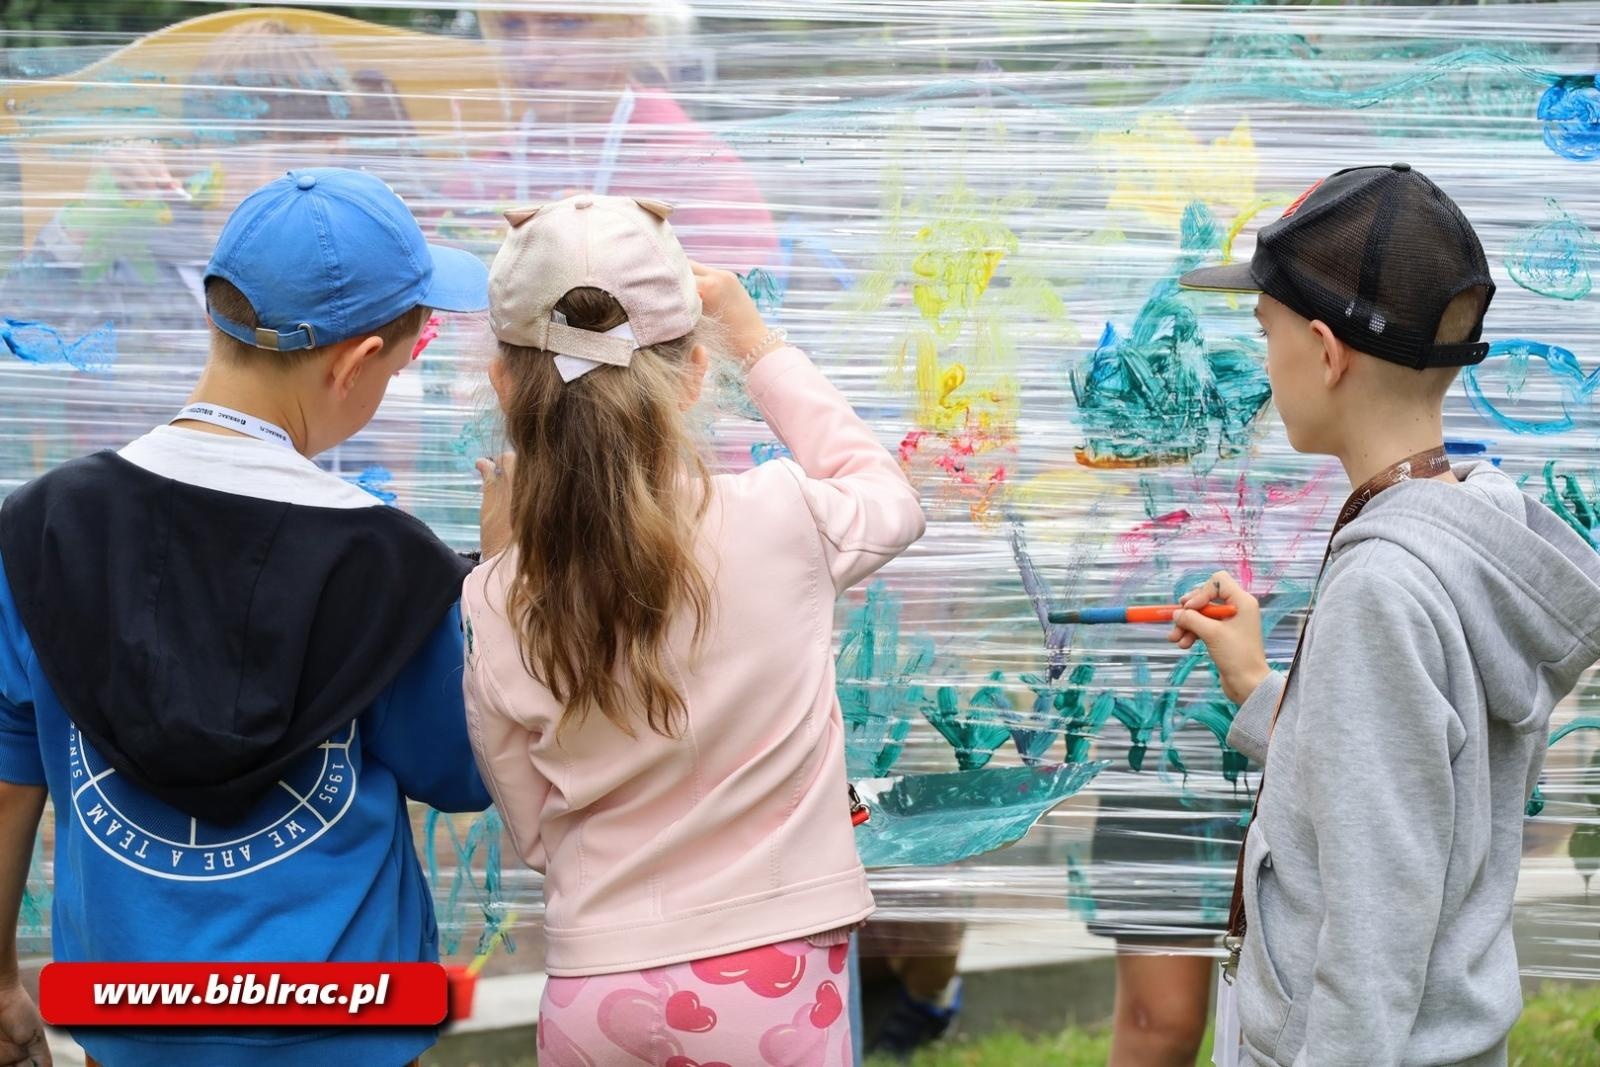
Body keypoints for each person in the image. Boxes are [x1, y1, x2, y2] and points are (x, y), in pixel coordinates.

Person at [0, 167, 492, 1067]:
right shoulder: (390, 565)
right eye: (410, 349)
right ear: (352, 366)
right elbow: (463, 771)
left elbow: (8, 762)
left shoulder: (39, 530)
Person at [462, 193, 925, 1062]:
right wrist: (758, 339)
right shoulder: (787, 516)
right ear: (693, 374)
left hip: (595, 982)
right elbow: (892, 501)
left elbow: (528, 825)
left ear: (501, 382)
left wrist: (497, 567)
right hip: (774, 973)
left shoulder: (497, 594)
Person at [1170, 163, 1600, 1065]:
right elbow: (1416, 789)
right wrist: (1257, 684)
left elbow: (1373, 939)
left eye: (1266, 331)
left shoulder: (1384, 589)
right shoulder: (1466, 532)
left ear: (1325, 353)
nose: (1263, 358)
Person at [467, 3, 779, 272]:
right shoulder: (476, 184)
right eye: (512, 25)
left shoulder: (698, 173)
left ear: (632, 27)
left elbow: (739, 321)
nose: (531, 54)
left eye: (564, 23)